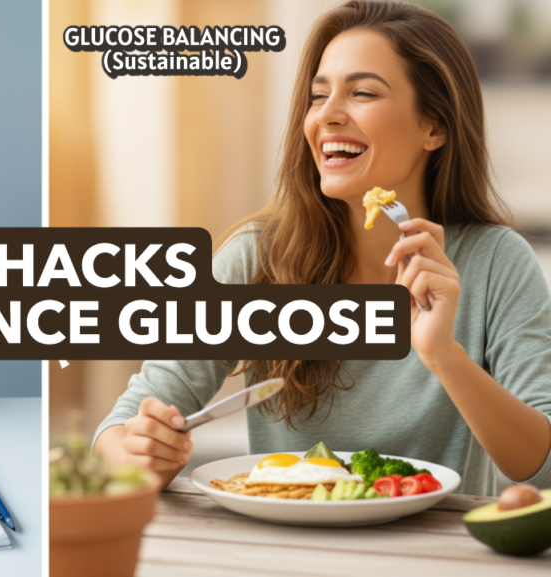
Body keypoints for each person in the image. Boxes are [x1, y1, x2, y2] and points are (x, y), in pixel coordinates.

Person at [94, 0, 551, 496]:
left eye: (362, 92)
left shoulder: (497, 263)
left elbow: (539, 467)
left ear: (434, 126)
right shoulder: (258, 256)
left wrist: (444, 355)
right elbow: (116, 432)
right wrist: (143, 452)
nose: (327, 116)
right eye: (317, 96)